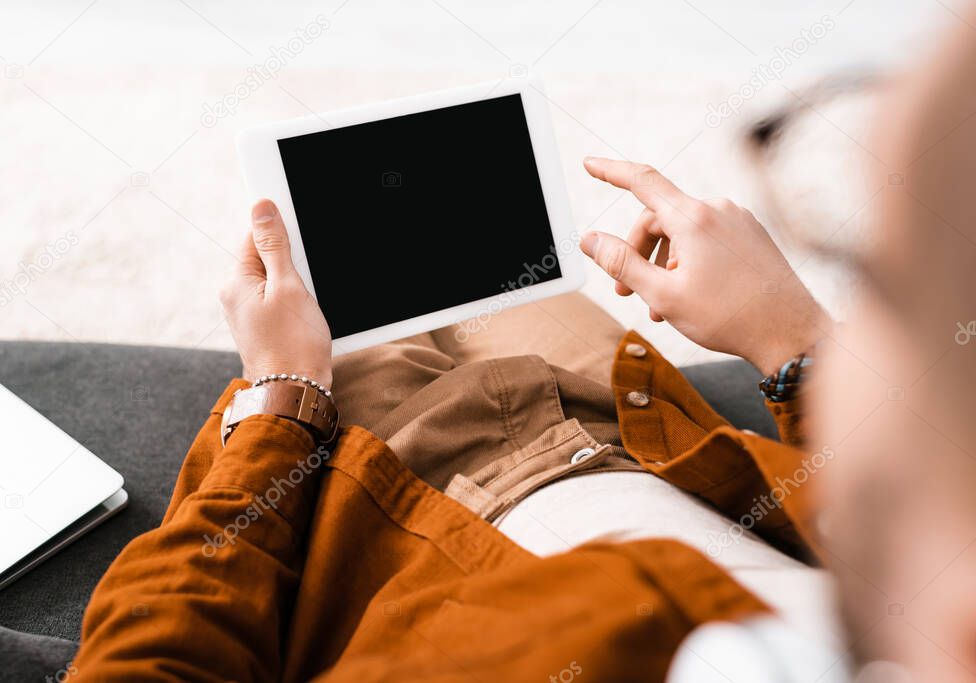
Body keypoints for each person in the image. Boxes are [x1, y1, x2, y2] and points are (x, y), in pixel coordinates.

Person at [64, 151, 841, 682]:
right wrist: (795, 342)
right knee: (507, 272)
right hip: (636, 441)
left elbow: (145, 661)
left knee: (341, 287)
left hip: (408, 505)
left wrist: (282, 392)